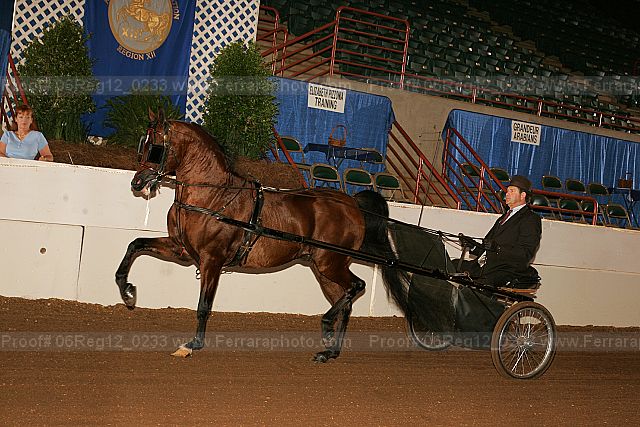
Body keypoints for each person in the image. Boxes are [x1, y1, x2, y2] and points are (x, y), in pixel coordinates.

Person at [457, 175, 542, 287]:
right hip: (486, 265)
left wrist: (498, 248)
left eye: (512, 191)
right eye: (507, 191)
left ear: (523, 195)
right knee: (449, 265)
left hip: (505, 269)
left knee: (479, 283)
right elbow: (487, 247)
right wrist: (472, 246)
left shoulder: (530, 219)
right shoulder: (503, 218)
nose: (507, 194)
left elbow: (525, 254)